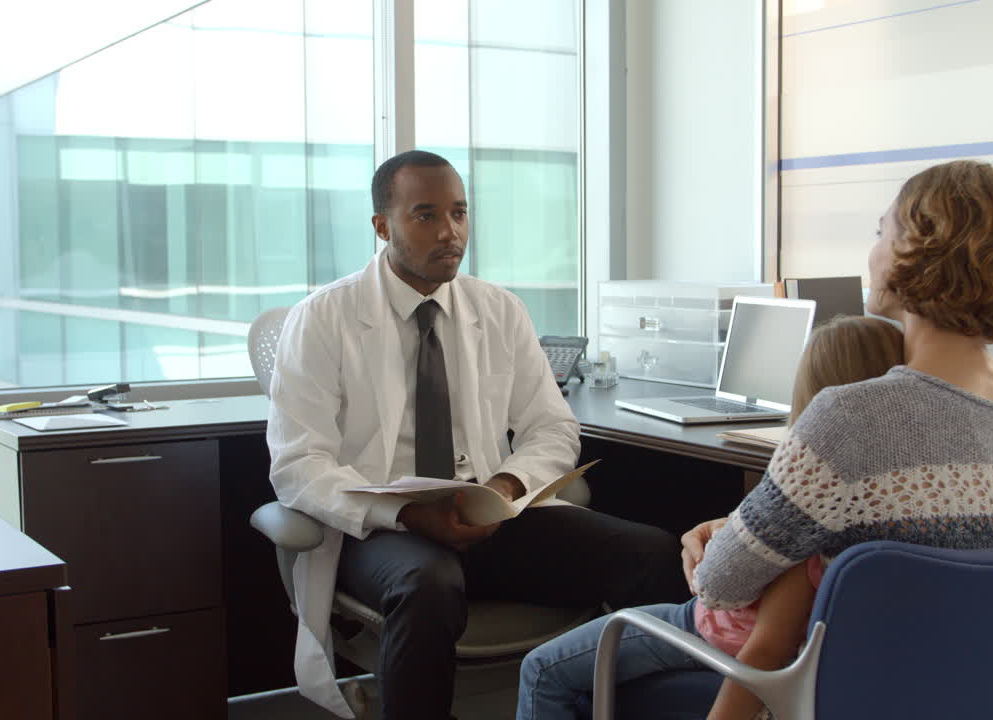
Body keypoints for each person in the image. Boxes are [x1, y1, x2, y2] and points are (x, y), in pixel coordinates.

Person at [516, 159, 993, 720]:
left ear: (916, 251)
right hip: (962, 690)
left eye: (882, 232)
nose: (872, 253)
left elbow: (722, 584)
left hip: (843, 688)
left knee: (553, 670)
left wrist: (723, 538)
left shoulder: (854, 417)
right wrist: (754, 527)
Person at [267, 149, 687, 720]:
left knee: (653, 555)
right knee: (426, 584)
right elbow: (299, 465)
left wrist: (508, 487)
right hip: (379, 527)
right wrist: (412, 515)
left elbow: (551, 426)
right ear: (382, 225)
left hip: (489, 516)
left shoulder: (499, 309)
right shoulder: (322, 319)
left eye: (460, 213)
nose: (450, 232)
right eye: (425, 215)